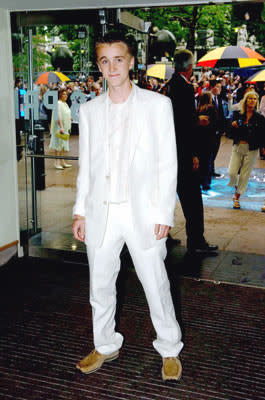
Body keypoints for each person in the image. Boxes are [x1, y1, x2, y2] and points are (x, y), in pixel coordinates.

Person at [72, 30, 183, 381]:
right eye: (104, 61)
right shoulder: (89, 111)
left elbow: (168, 164)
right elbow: (86, 166)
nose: (111, 67)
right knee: (100, 286)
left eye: (118, 59)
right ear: (100, 66)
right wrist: (80, 210)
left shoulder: (157, 105)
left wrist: (164, 213)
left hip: (144, 213)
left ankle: (169, 347)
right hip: (101, 211)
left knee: (156, 284)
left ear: (131, 61)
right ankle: (105, 344)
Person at [167, 49, 218, 254]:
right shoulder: (185, 88)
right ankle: (196, 241)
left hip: (170, 152)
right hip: (182, 153)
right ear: (189, 66)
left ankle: (163, 235)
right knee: (193, 199)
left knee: (167, 196)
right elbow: (184, 124)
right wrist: (193, 154)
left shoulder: (170, 85)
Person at [228, 91, 265, 209]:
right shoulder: (237, 114)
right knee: (232, 172)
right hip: (238, 146)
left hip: (252, 148)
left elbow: (262, 134)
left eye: (254, 99)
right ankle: (237, 189)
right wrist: (232, 126)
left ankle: (236, 197)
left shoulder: (260, 118)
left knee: (245, 175)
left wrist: (263, 147)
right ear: (246, 100)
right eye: (250, 99)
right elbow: (229, 133)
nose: (252, 101)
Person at [196, 91, 218, 191]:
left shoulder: (197, 110)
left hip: (199, 138)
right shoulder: (212, 108)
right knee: (207, 161)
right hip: (209, 138)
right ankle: (206, 183)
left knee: (200, 161)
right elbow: (216, 123)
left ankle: (199, 181)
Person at [49, 88, 72, 170]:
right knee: (58, 145)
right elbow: (58, 116)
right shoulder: (58, 103)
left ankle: (62, 161)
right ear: (60, 95)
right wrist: (61, 127)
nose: (65, 96)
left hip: (65, 127)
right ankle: (57, 162)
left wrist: (70, 118)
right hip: (59, 127)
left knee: (62, 145)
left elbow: (66, 113)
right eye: (63, 94)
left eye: (66, 94)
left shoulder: (64, 103)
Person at [209, 79, 226, 177]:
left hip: (218, 130)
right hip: (211, 130)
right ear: (212, 87)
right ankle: (208, 170)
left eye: (220, 87)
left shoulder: (218, 98)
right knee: (210, 150)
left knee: (215, 150)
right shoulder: (208, 98)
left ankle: (212, 170)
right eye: (218, 87)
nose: (220, 89)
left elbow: (221, 114)